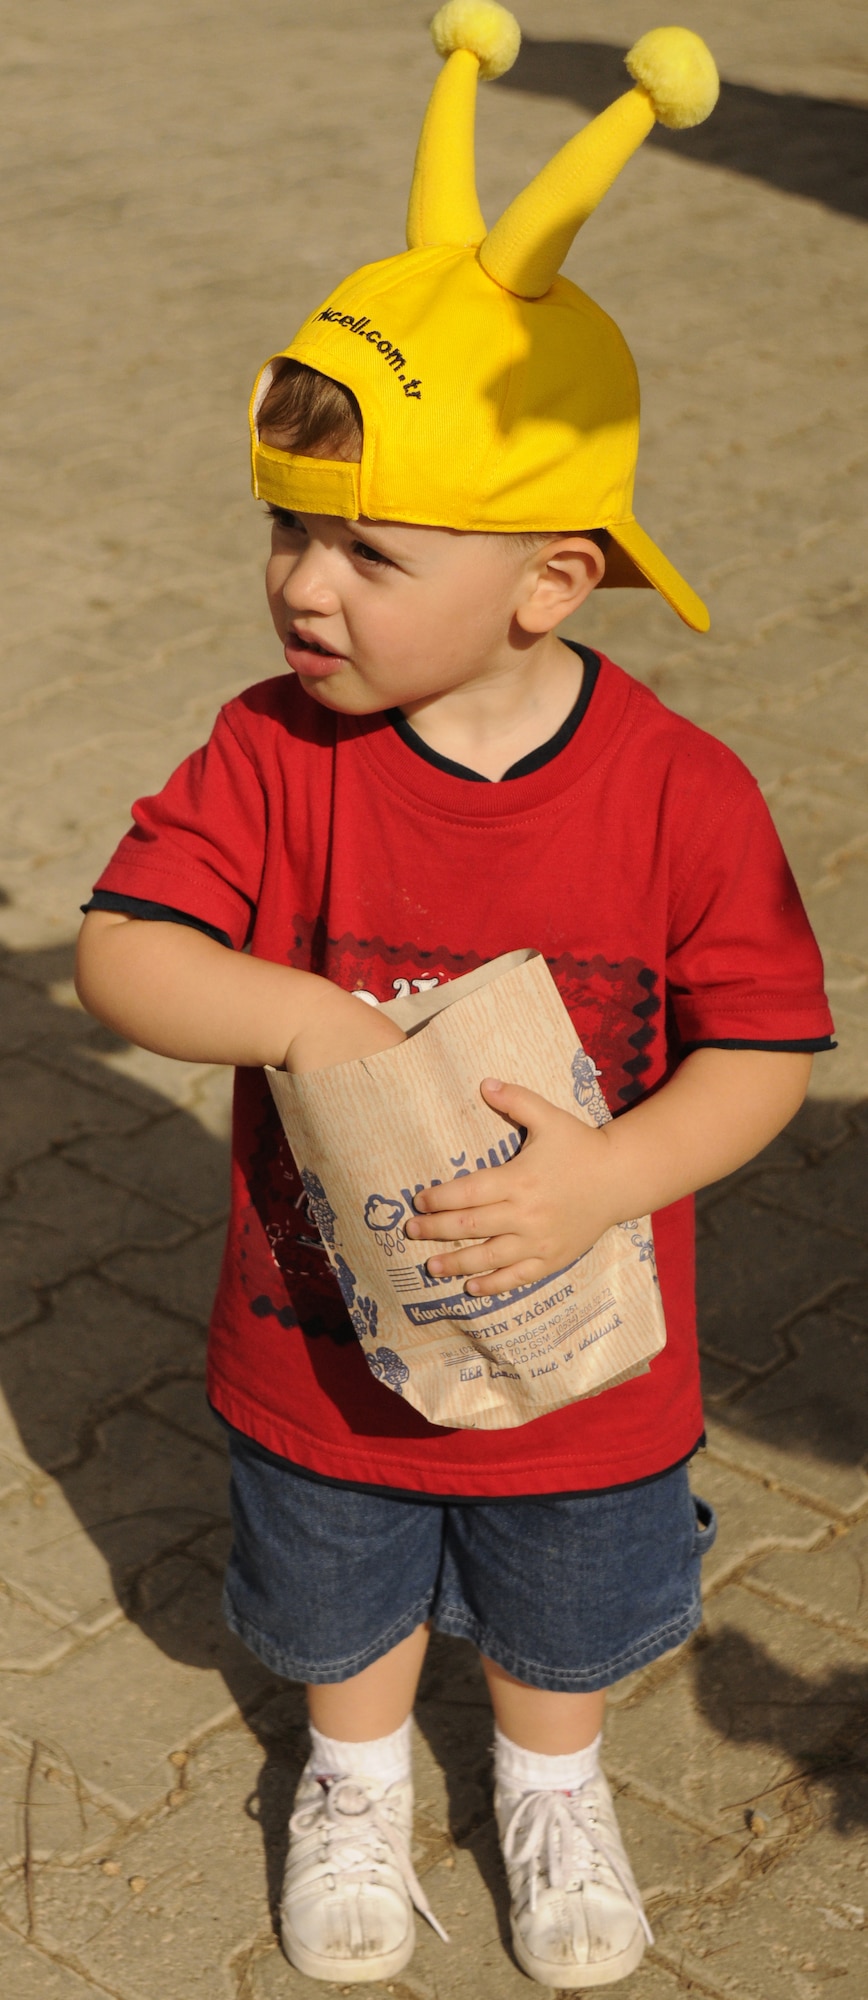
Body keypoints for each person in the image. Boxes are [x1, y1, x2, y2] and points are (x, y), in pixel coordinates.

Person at [75, 6, 834, 1988]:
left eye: (362, 547)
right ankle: (347, 1778)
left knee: (568, 1604)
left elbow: (761, 1048)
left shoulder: (679, 792)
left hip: (582, 1356)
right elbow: (123, 951)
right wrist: (304, 1015)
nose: (298, 586)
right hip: (314, 1343)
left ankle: (549, 1785)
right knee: (332, 1592)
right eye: (282, 530)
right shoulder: (270, 754)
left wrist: (613, 1177)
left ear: (545, 577)